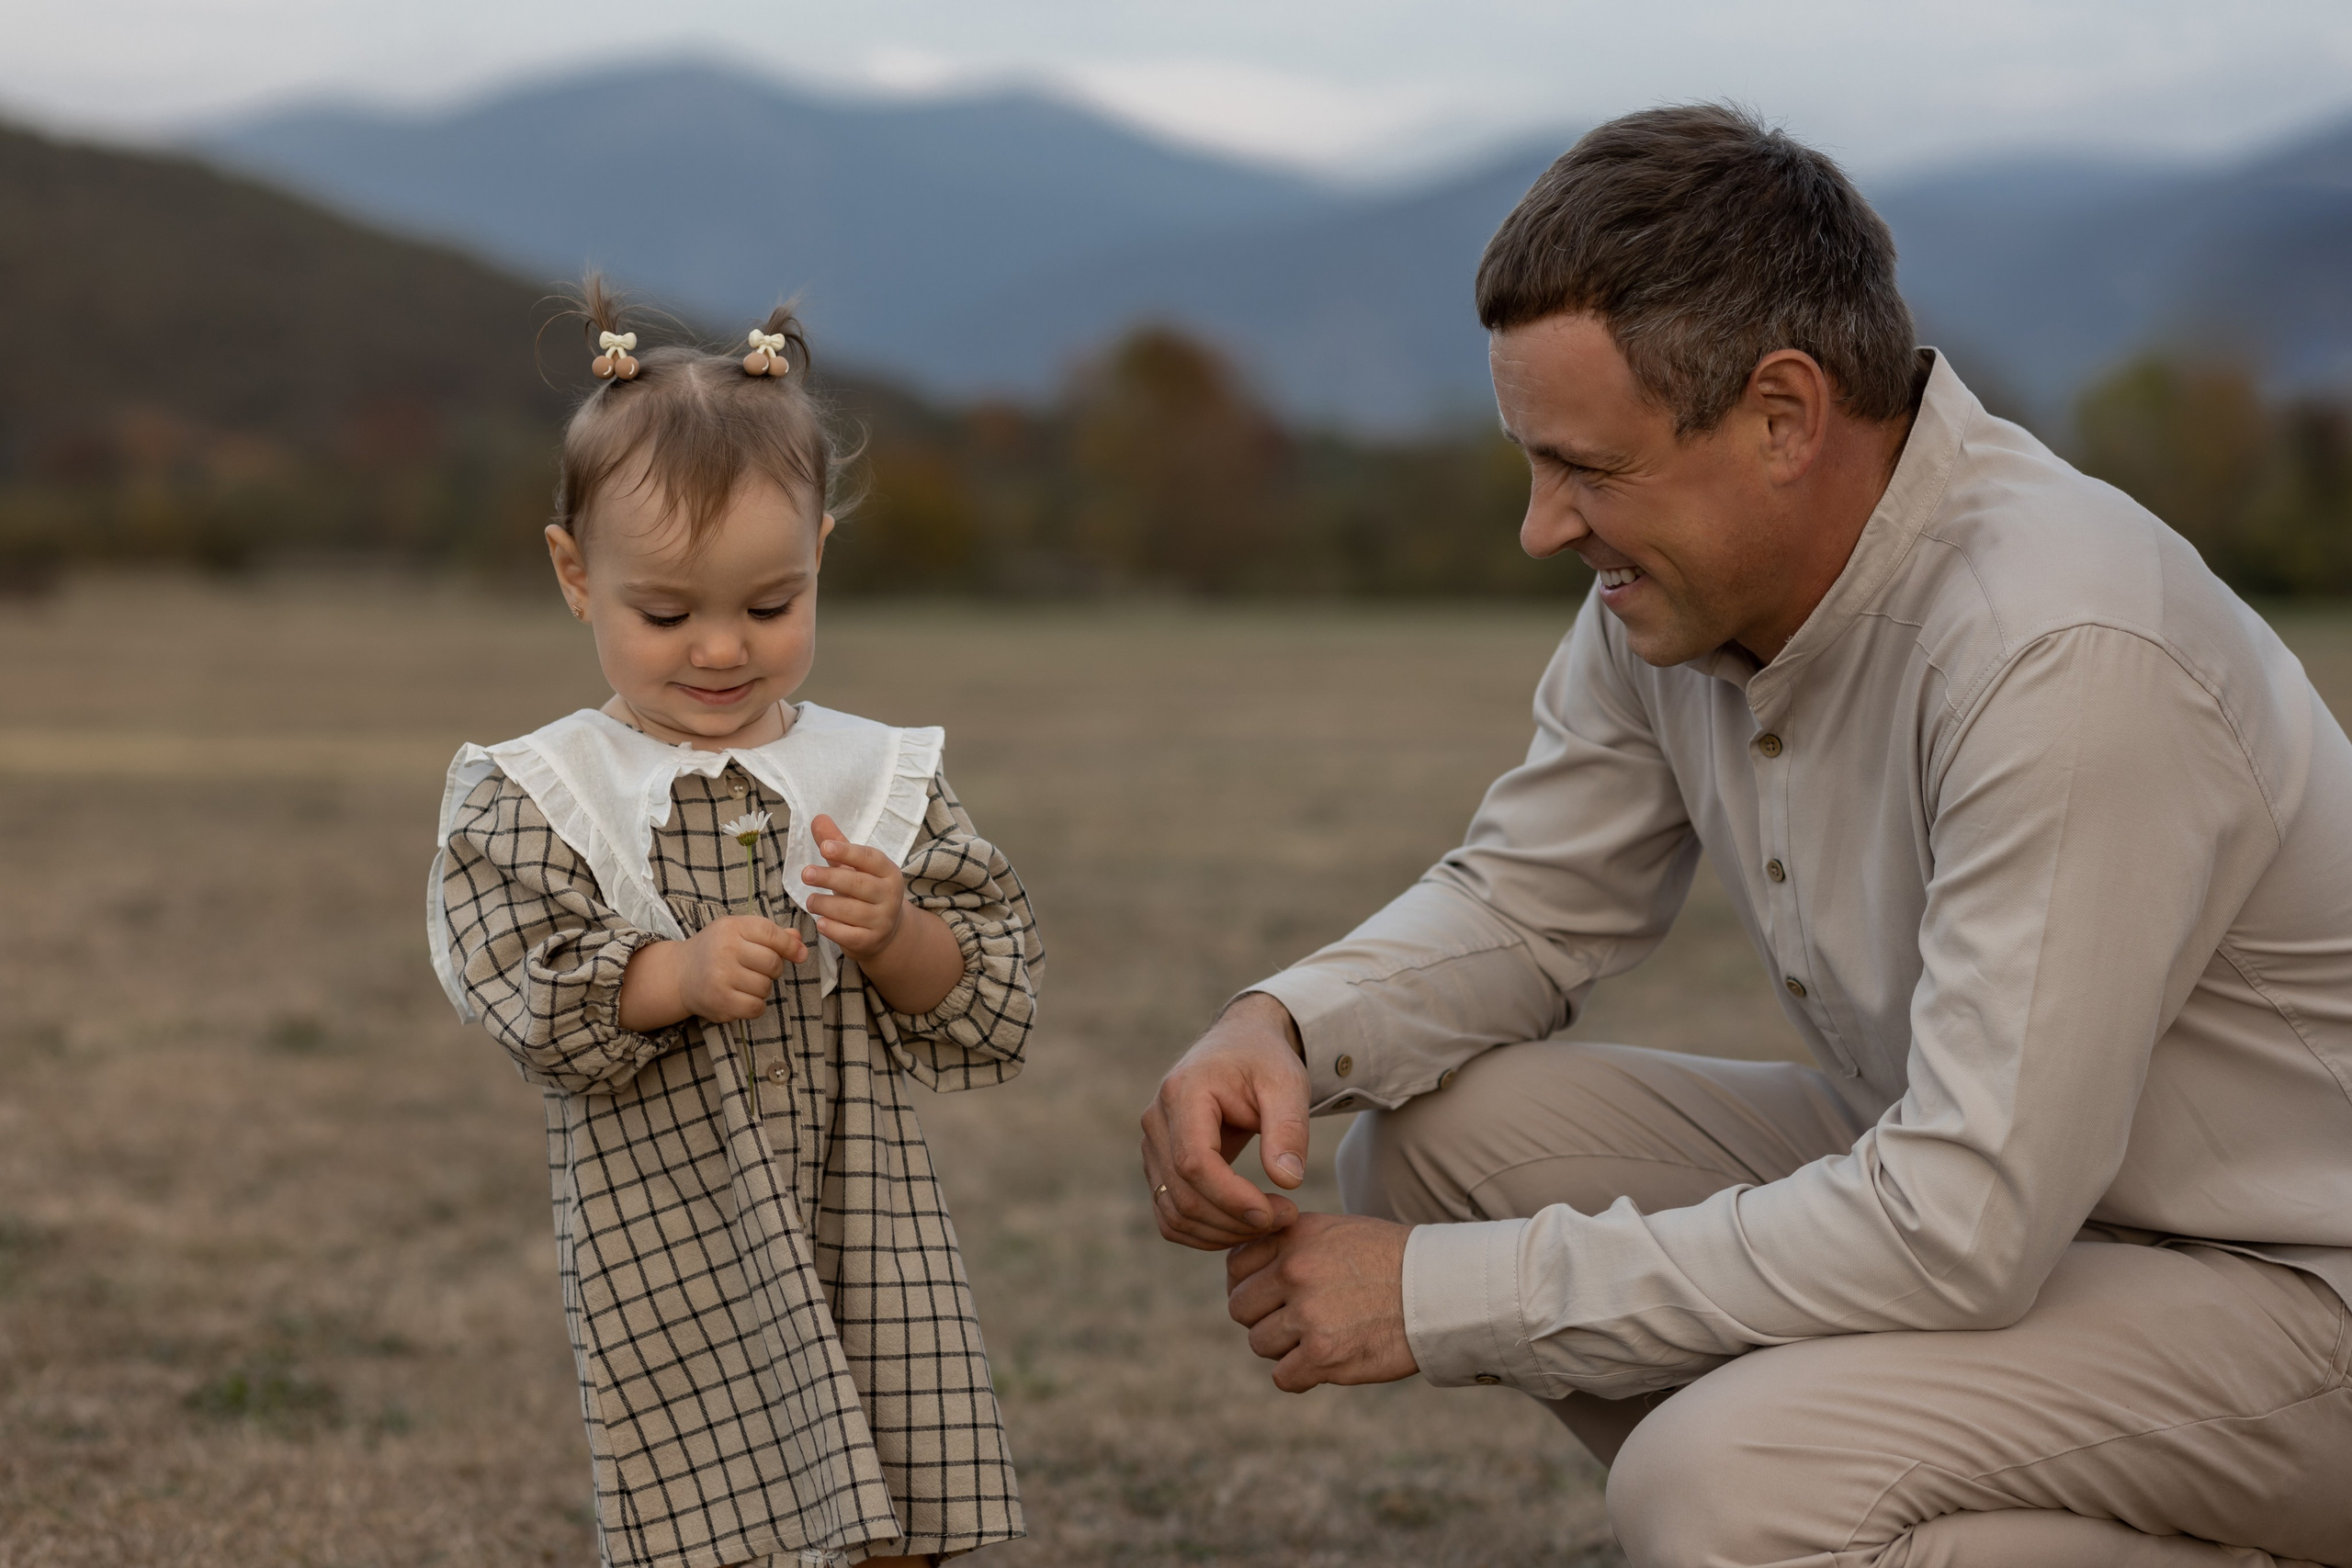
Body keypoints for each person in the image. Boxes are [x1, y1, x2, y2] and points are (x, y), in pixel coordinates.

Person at [1142, 106, 2352, 1566]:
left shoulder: (2062, 644)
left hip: (2290, 1289)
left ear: (1783, 416)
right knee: (1445, 1148)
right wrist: (1278, 1023)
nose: (1542, 528)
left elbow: (1964, 1217)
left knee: (1723, 1486)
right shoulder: (1674, 598)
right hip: (2022, 1202)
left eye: (1587, 467)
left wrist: (1443, 1298)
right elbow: (1531, 902)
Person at [430, 282, 1036, 1568]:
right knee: (722, 1523)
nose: (721, 650)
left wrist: (897, 934)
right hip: (675, 1231)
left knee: (899, 1511)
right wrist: (673, 974)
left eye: (771, 607)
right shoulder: (549, 794)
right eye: (666, 615)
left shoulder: (873, 778)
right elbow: (522, 989)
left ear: (820, 551)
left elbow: (987, 998)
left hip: (860, 1217)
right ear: (573, 574)